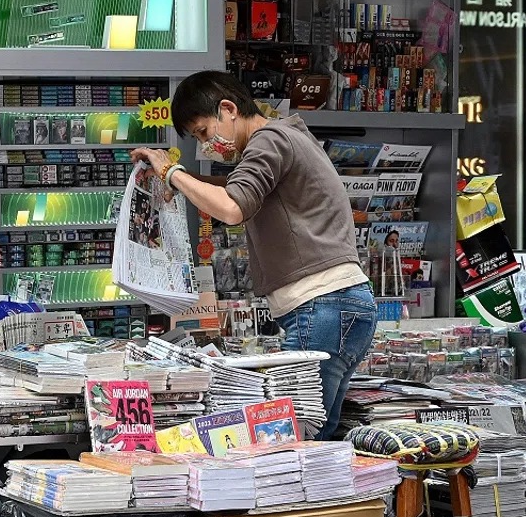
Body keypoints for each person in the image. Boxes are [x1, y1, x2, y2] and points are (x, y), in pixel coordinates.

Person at [131, 71, 377, 441]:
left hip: (321, 305)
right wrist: (179, 185)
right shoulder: (288, 136)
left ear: (228, 109)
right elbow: (235, 189)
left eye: (202, 132)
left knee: (292, 440)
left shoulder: (270, 139)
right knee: (317, 437)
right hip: (340, 304)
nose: (205, 145)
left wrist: (173, 173)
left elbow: (232, 206)